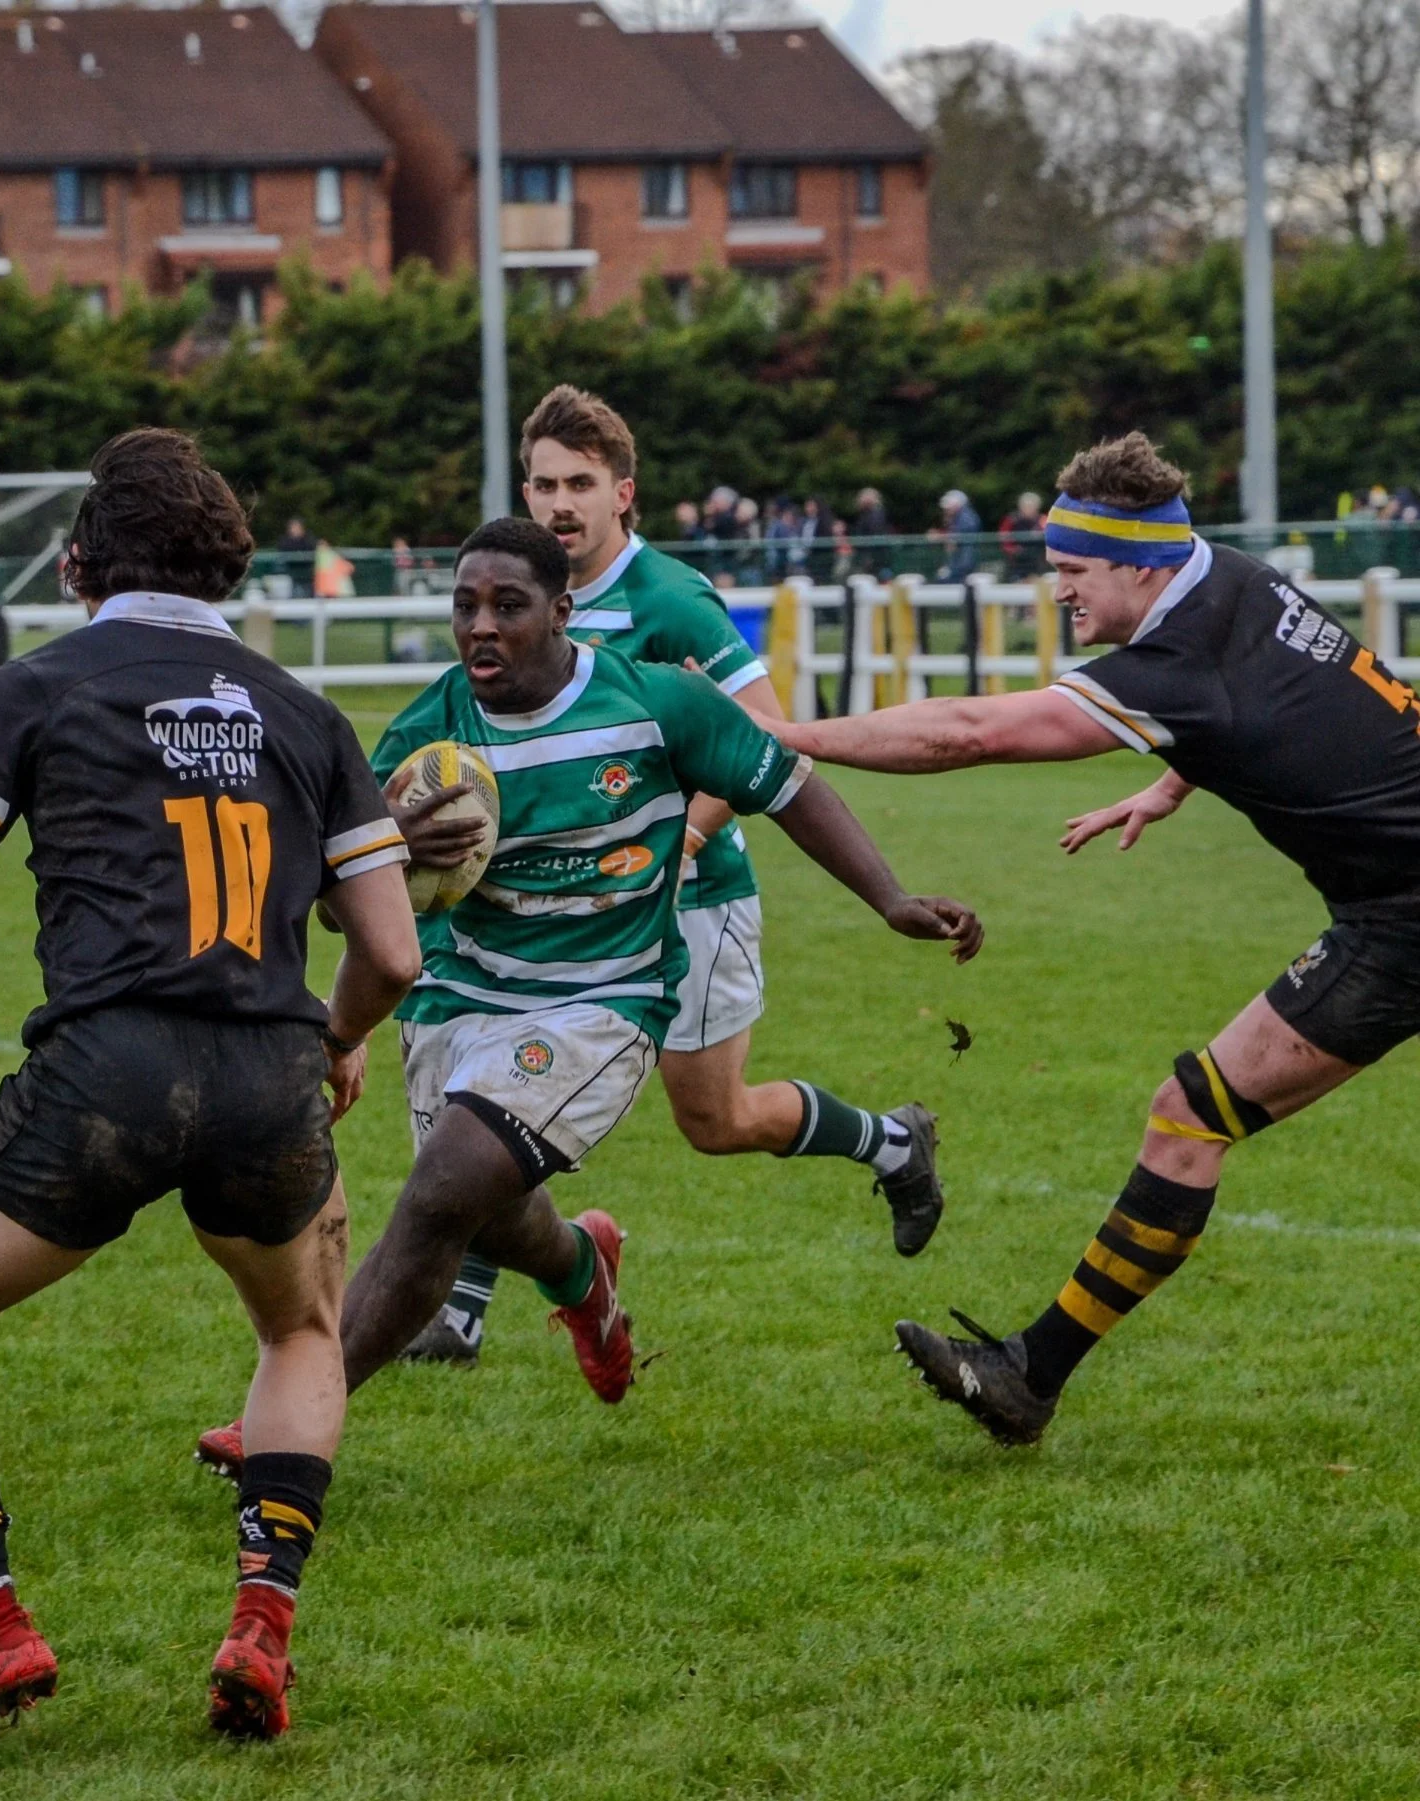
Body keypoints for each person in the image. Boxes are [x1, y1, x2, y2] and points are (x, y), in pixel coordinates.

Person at [195, 517, 983, 1474]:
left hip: (601, 1003)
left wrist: (892, 897)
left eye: (508, 605)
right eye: (465, 605)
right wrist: (394, 846)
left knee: (443, 1192)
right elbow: (336, 908)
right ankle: (581, 1271)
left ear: (563, 610)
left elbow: (790, 786)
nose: (480, 626)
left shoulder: (656, 705)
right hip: (460, 998)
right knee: (486, 1208)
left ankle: (289, 1420)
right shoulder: (427, 734)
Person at [770, 430, 1420, 1448]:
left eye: (1072, 573)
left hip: (1406, 918)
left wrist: (792, 737)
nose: (1060, 594)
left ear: (1138, 561)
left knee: (1190, 1116)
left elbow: (971, 731)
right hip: (1394, 904)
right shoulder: (1239, 580)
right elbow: (1285, 700)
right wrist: (1169, 784)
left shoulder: (1176, 660)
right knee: (1192, 1110)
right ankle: (1029, 1376)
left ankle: (1028, 1378)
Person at [0, 429, 420, 1735]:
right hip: (270, 1069)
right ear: (224, 568)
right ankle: (262, 1630)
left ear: (77, 564)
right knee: (298, 1330)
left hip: (108, 1066)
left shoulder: (31, 688)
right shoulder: (310, 715)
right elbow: (392, 949)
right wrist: (337, 1042)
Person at [402, 387, 971, 1369]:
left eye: (579, 484)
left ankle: (890, 1141)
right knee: (482, 1076)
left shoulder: (669, 600)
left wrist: (675, 842)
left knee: (715, 1119)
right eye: (542, 483)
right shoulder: (520, 596)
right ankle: (459, 1305)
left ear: (624, 494)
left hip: (689, 897)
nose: (558, 504)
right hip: (551, 905)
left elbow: (763, 732)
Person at [935, 489, 982, 582]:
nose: (946, 510)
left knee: (948, 580)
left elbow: (955, 539)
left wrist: (940, 537)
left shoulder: (966, 517)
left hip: (963, 563)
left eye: (949, 507)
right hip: (960, 561)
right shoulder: (959, 517)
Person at [998, 492, 1047, 579]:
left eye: (1031, 506)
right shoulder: (1011, 520)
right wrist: (1014, 550)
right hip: (1016, 560)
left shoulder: (1042, 520)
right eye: (1026, 506)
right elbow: (1004, 538)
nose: (1028, 509)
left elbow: (1048, 535)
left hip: (1037, 560)